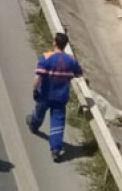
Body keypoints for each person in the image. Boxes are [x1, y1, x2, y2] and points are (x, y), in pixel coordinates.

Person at [28, 32, 83, 162]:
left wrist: (34, 89)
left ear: (54, 43)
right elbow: (79, 73)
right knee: (57, 122)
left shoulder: (46, 57)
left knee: (39, 112)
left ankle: (34, 125)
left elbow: (38, 77)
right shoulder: (70, 60)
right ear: (65, 45)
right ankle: (56, 149)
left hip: (45, 94)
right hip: (60, 96)